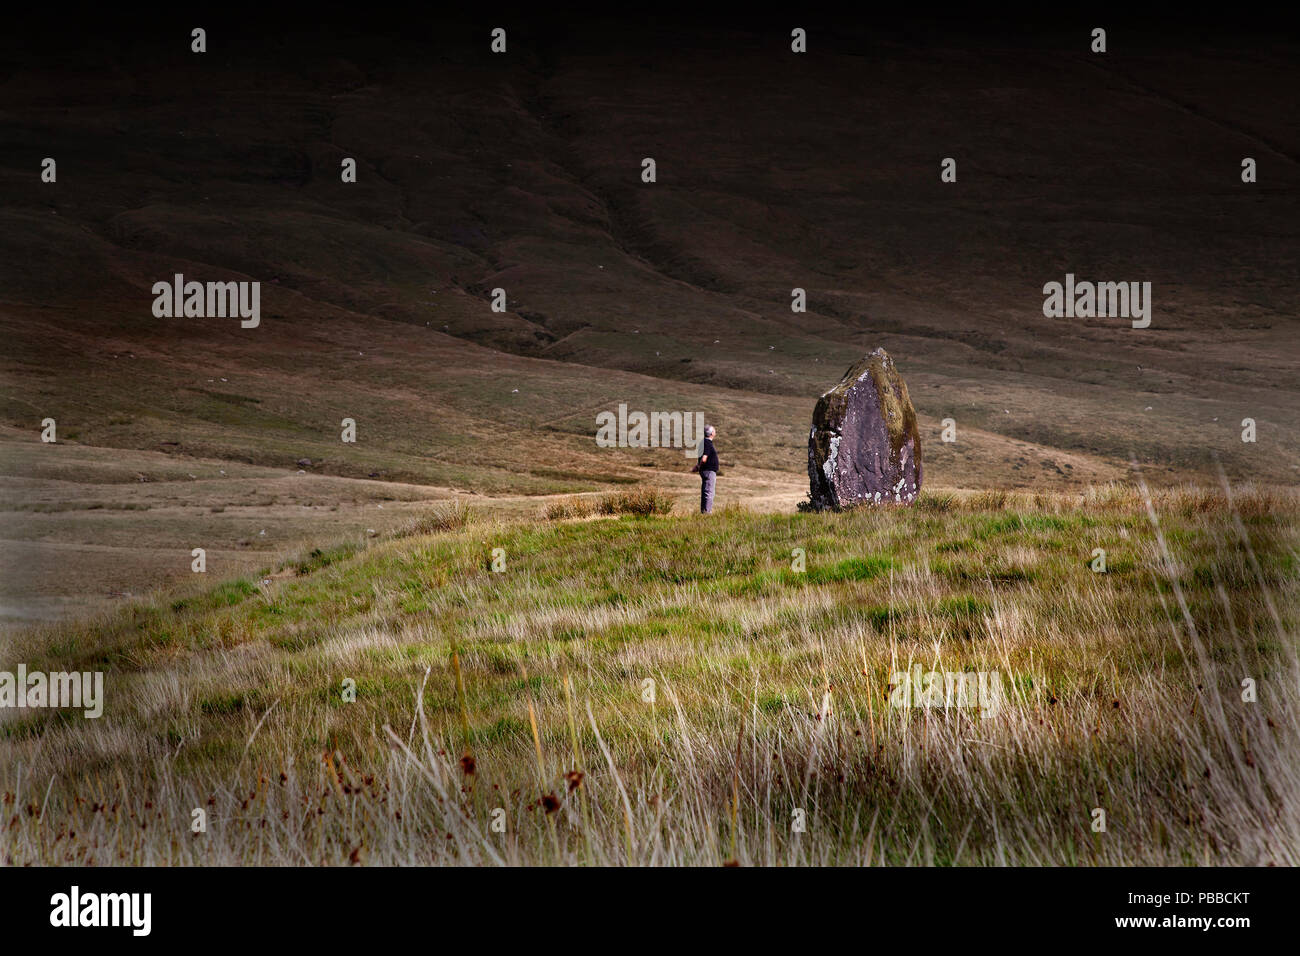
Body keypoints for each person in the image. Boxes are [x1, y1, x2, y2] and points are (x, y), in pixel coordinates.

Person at [698, 424, 719, 513]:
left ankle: (704, 511)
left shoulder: (704, 442)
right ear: (711, 433)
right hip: (709, 470)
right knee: (709, 492)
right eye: (714, 430)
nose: (715, 432)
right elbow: (704, 458)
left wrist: (698, 467)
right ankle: (707, 512)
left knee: (706, 491)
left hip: (706, 470)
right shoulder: (707, 443)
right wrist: (699, 465)